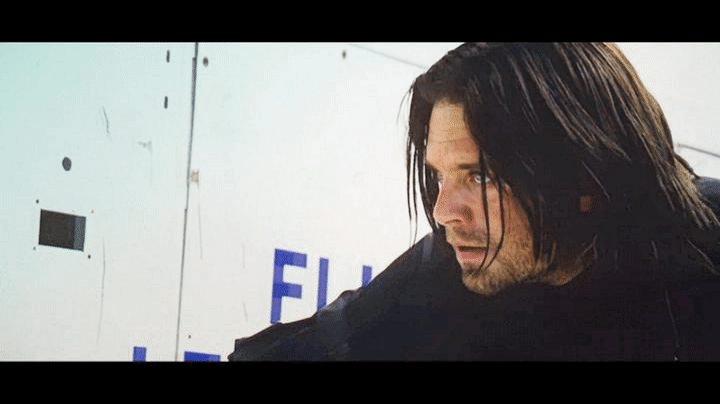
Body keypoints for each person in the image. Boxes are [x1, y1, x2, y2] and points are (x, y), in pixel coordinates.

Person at [228, 43, 720, 361]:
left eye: (480, 177)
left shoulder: (705, 254)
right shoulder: (451, 267)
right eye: (439, 175)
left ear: (585, 173)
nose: (444, 212)